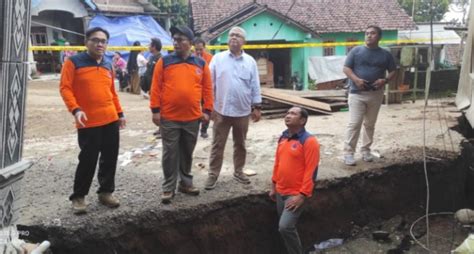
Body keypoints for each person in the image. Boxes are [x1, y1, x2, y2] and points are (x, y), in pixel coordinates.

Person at [59, 27, 126, 214]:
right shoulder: (73, 62)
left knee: (110, 158)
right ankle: (79, 197)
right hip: (87, 121)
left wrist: (120, 114)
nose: (99, 44)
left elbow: (112, 92)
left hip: (110, 119)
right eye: (95, 40)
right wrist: (76, 109)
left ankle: (105, 192)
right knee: (88, 159)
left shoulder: (108, 64)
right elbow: (65, 88)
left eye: (103, 41)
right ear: (86, 41)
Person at [150, 26, 213, 204]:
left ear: (190, 43)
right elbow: (156, 87)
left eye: (180, 39)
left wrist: (207, 111)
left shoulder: (201, 64)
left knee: (187, 152)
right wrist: (155, 111)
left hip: (193, 118)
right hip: (169, 117)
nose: (176, 42)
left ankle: (185, 183)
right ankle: (168, 187)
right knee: (170, 153)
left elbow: (208, 89)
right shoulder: (165, 61)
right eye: (175, 39)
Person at [205, 26, 262, 190]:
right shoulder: (218, 58)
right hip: (221, 111)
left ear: (244, 41)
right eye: (231, 35)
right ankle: (213, 174)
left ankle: (238, 171)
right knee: (217, 144)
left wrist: (257, 107)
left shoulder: (250, 61)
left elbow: (255, 85)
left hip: (243, 111)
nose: (233, 38)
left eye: (237, 35)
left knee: (241, 144)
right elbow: (210, 84)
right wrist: (210, 107)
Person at [269, 106, 320, 254]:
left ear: (303, 120)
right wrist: (273, 185)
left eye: (293, 113)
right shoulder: (283, 138)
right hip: (280, 191)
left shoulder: (309, 141)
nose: (288, 115)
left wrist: (302, 195)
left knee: (285, 227)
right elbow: (277, 163)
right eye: (287, 113)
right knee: (284, 228)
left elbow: (312, 171)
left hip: (295, 194)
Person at [342, 25, 396, 166]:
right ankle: (348, 153)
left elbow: (393, 71)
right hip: (357, 93)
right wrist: (356, 80)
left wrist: (385, 80)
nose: (369, 36)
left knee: (370, 124)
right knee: (354, 124)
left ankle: (365, 150)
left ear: (379, 37)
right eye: (366, 33)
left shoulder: (385, 54)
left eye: (372, 33)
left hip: (375, 94)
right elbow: (346, 68)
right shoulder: (356, 51)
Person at [193, 37, 213, 138]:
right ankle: (195, 129)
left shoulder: (210, 58)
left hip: (206, 89)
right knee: (195, 110)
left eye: (201, 49)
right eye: (197, 49)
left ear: (204, 48)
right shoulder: (191, 58)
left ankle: (204, 130)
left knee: (207, 109)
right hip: (195, 89)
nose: (199, 51)